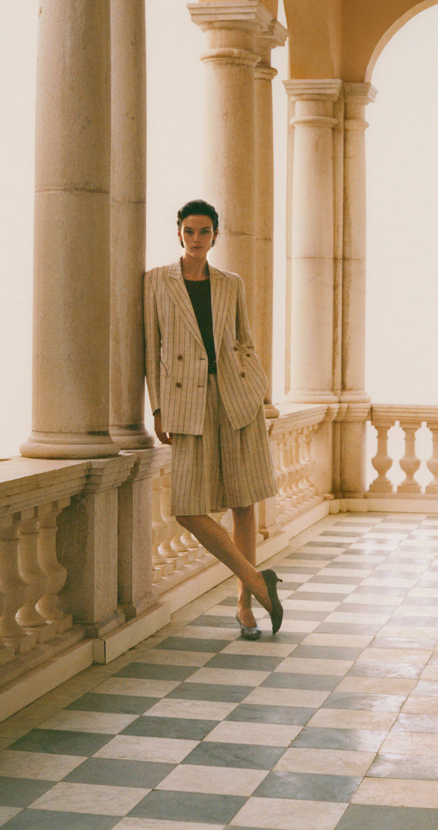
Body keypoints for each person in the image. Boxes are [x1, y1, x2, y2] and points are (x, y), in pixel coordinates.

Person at [143, 199, 283, 639]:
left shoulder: (230, 283)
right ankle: (258, 580)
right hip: (187, 403)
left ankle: (245, 606)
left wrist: (255, 387)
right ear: (178, 234)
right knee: (187, 509)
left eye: (205, 231)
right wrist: (158, 408)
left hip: (236, 398)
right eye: (189, 230)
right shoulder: (156, 281)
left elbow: (244, 341)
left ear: (216, 236)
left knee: (244, 502)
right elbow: (150, 348)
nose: (197, 238)